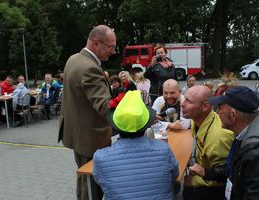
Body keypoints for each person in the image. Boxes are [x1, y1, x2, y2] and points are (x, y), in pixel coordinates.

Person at [191, 86, 259, 200]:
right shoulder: (247, 132)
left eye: (220, 108)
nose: (217, 112)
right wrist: (205, 172)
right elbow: (234, 171)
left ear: (233, 115)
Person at [58, 25, 116, 200]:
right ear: (96, 43)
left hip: (77, 133)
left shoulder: (73, 59)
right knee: (91, 186)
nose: (113, 52)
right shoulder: (90, 68)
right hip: (90, 137)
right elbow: (105, 105)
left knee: (83, 178)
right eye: (111, 47)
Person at [93, 90, 179, 200]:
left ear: (116, 125)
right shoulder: (164, 150)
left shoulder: (100, 157)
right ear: (146, 124)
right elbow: (174, 176)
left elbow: (101, 183)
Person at [181, 85, 234, 200]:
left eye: (189, 101)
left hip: (217, 189)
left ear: (205, 106)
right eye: (184, 99)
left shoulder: (218, 137)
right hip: (203, 171)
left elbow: (223, 178)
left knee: (187, 193)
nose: (182, 103)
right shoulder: (198, 119)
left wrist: (194, 181)